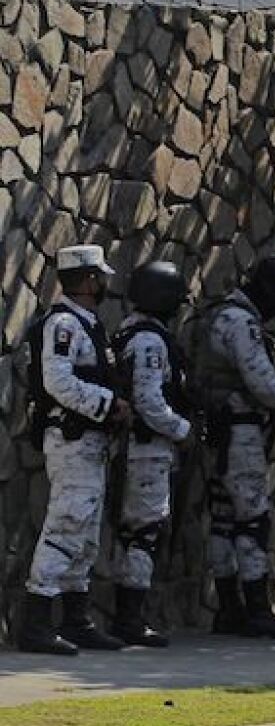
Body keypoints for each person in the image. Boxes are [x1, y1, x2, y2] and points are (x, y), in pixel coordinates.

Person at [15, 245, 131, 655]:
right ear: (88, 280)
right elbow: (57, 383)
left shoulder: (87, 323)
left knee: (85, 532)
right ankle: (36, 623)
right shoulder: (64, 323)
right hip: (72, 440)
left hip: (91, 442)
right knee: (66, 524)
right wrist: (107, 403)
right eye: (100, 277)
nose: (105, 284)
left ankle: (76, 619)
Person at [195, 254, 275, 640]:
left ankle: (229, 608)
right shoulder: (241, 322)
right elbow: (261, 383)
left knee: (223, 519)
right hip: (239, 431)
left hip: (217, 430)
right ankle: (257, 610)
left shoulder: (218, 315)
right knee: (253, 519)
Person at [110, 260, 192, 648]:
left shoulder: (134, 335)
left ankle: (129, 615)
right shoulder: (149, 342)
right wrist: (183, 430)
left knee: (139, 532)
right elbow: (148, 400)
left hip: (142, 448)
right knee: (144, 532)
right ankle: (130, 618)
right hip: (147, 451)